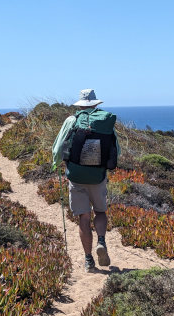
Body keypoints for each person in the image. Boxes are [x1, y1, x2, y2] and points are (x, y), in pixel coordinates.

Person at [52, 89, 119, 272]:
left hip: (76, 176)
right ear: (96, 104)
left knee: (84, 216)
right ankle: (101, 241)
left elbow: (58, 148)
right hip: (97, 176)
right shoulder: (105, 123)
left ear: (80, 104)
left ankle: (89, 260)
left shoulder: (71, 120)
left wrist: (56, 164)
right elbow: (116, 150)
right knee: (100, 211)